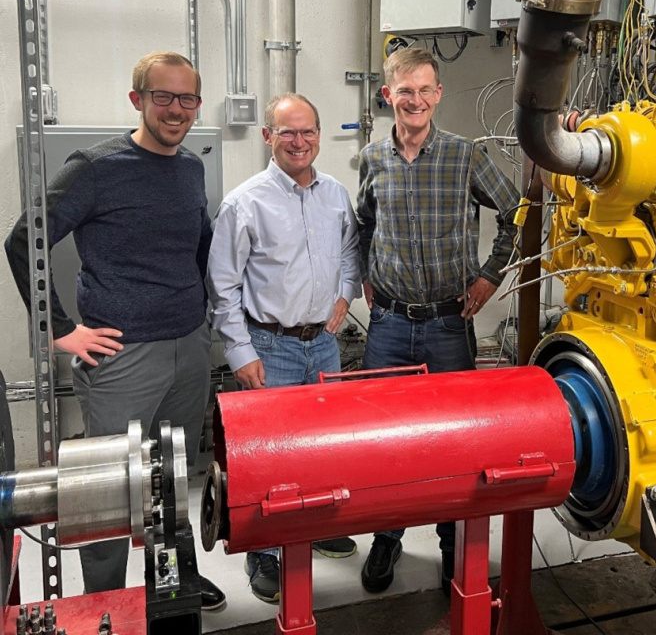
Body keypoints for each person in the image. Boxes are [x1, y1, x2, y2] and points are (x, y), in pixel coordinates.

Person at [4, 52, 225, 611]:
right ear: (138, 100)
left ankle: (169, 588)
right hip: (123, 359)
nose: (176, 110)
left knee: (173, 485)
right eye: (163, 97)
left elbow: (196, 243)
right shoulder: (96, 168)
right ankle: (102, 606)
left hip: (188, 348)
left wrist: (197, 309)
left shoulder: (191, 167)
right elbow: (23, 238)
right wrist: (59, 330)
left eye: (187, 99)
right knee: (106, 492)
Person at [356, 48, 518, 596]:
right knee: (386, 442)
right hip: (390, 325)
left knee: (456, 442)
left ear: (439, 95)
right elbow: (362, 224)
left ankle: (454, 546)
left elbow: (515, 211)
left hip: (449, 326)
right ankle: (387, 537)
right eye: (406, 91)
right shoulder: (372, 158)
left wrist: (489, 276)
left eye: (426, 90)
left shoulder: (464, 155)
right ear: (389, 97)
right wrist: (365, 275)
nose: (416, 101)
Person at [207, 93, 361, 604]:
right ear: (268, 136)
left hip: (323, 346)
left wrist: (344, 294)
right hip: (269, 347)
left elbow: (348, 250)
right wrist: (240, 353)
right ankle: (264, 553)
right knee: (267, 458)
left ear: (319, 135)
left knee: (322, 449)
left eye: (308, 132)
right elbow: (223, 286)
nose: (299, 142)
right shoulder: (244, 202)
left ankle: (312, 528)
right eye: (287, 132)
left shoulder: (336, 194)